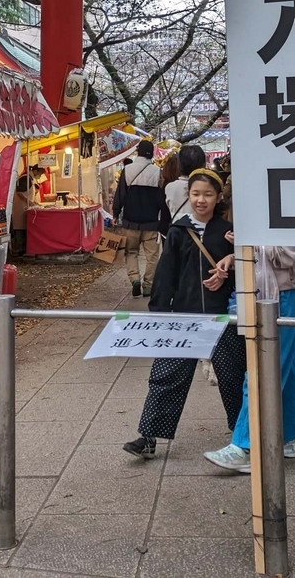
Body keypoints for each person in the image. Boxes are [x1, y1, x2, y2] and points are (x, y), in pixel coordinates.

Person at [123, 168, 245, 460]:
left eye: (208, 195)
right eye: (195, 194)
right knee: (166, 375)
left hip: (222, 317)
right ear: (188, 196)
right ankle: (148, 437)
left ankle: (243, 434)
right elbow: (166, 277)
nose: (201, 200)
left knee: (233, 377)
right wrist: (160, 315)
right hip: (184, 318)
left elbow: (246, 272)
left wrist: (228, 268)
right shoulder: (178, 231)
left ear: (218, 198)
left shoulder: (228, 232)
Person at [204, 245, 295, 472]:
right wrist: (235, 253)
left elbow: (291, 254)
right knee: (287, 369)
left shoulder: (285, 210)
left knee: (264, 370)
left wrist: (251, 243)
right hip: (267, 294)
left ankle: (246, 446)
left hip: (283, 295)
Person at [112, 140, 165, 297]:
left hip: (131, 222)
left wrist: (116, 213)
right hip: (151, 223)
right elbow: (162, 199)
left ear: (138, 152)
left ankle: (134, 279)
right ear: (152, 153)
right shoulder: (158, 172)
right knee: (152, 257)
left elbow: (120, 194)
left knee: (131, 252)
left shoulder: (128, 170)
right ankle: (148, 285)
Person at [161, 144, 206, 236]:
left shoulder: (170, 187)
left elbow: (164, 218)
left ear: (180, 165)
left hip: (177, 235)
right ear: (203, 164)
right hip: (203, 235)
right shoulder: (209, 187)